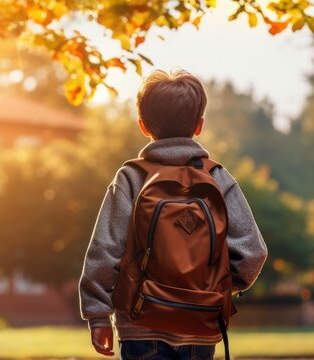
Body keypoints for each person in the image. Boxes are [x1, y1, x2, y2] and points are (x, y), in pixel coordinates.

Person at [78, 68, 268, 359]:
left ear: (143, 125)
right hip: (201, 321)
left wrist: (98, 315)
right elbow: (253, 251)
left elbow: (105, 249)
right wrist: (216, 288)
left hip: (141, 323)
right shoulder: (217, 177)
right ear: (199, 125)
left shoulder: (132, 177)